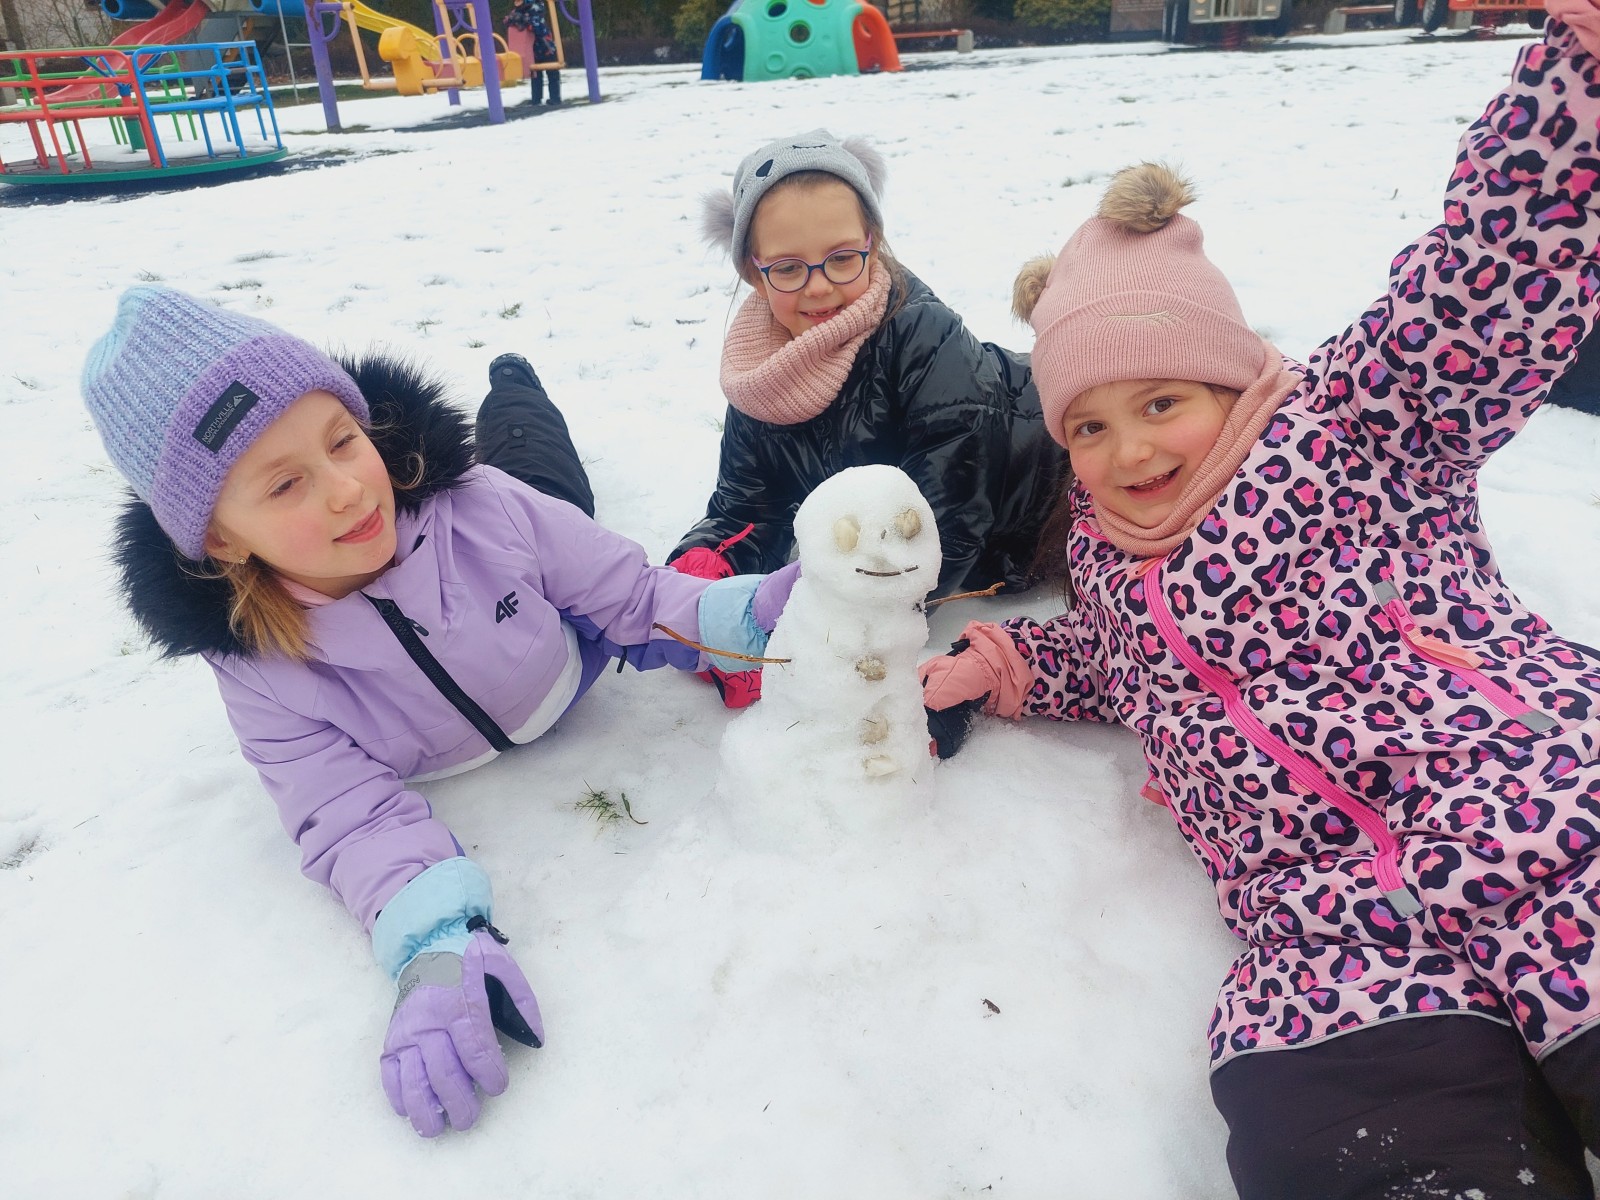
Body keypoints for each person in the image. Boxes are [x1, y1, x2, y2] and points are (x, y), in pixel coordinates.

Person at [920, 9, 1600, 1197]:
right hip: (1327, 931)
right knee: (1339, 1140)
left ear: (1229, 378)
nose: (1129, 450)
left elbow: (1481, 285)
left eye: (1160, 403)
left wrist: (1571, 85)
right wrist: (1005, 665)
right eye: (1088, 425)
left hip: (1538, 818)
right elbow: (1119, 665)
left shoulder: (1360, 425)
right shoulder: (1111, 558)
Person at [80, 287, 795, 1139]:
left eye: (343, 440)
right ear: (222, 538)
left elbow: (632, 596)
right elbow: (347, 814)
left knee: (536, 458)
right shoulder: (259, 667)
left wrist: (737, 620)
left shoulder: (489, 507)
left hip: (545, 596)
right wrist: (433, 940)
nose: (347, 490)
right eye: (286, 484)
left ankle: (514, 381)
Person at [668, 129, 1068, 708]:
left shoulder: (923, 336)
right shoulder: (762, 377)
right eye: (788, 268)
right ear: (754, 273)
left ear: (872, 244)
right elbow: (747, 510)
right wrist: (704, 583)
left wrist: (820, 632)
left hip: (1050, 492)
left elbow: (947, 522)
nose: (819, 286)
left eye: (841, 258)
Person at [505, 0, 560, 107]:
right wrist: (513, 20)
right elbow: (508, 22)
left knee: (552, 73)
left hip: (546, 47)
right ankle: (536, 99)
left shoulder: (536, 8)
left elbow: (538, 28)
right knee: (535, 75)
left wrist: (525, 21)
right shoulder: (517, 11)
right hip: (532, 49)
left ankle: (555, 98)